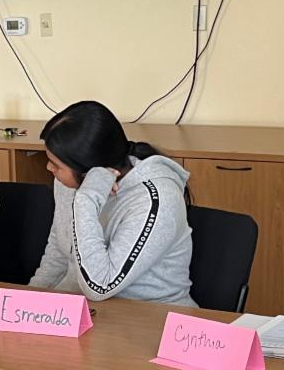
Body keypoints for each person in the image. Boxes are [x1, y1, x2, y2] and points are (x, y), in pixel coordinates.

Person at [30, 100, 195, 304]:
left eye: (56, 164)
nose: (48, 168)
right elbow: (60, 252)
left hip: (150, 315)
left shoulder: (157, 200)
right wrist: (27, 300)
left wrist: (86, 200)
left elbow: (100, 286)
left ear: (89, 172)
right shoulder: (69, 181)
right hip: (84, 310)